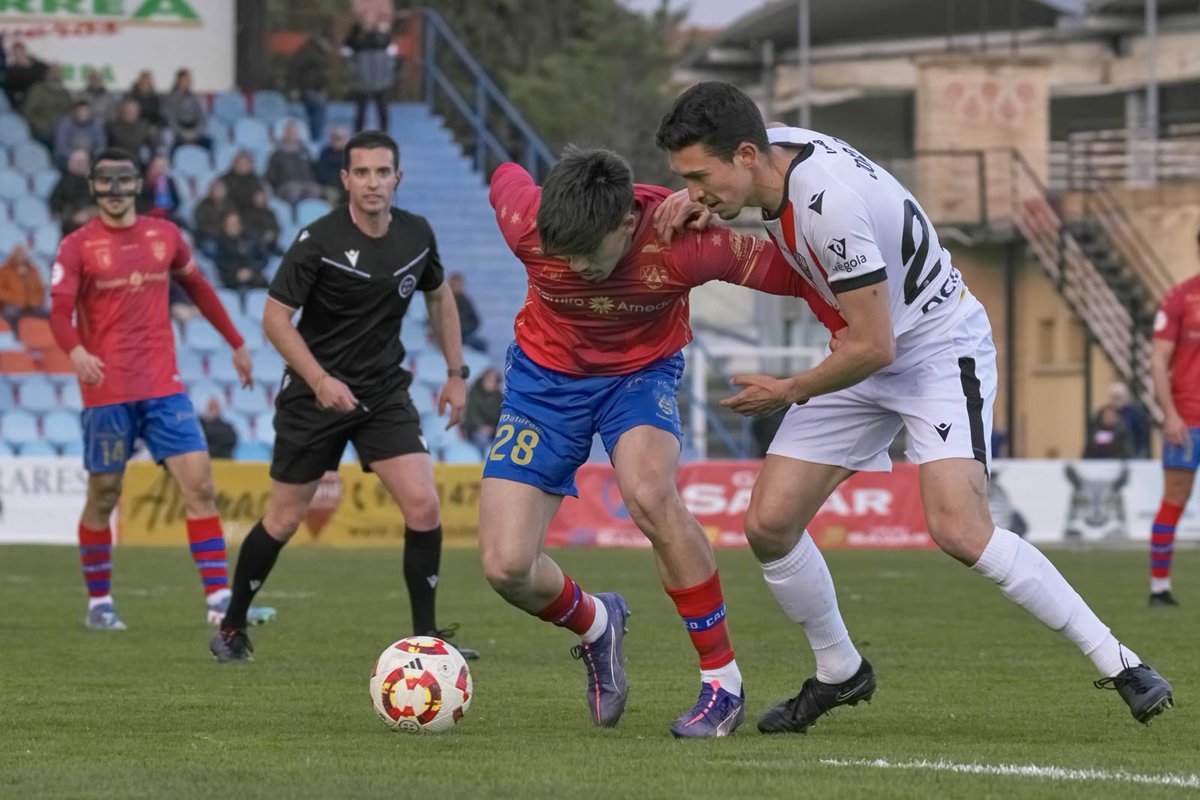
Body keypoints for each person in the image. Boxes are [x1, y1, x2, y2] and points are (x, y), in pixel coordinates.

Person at [653, 80, 1172, 730]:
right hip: (864, 343)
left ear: (749, 154)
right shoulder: (774, 151)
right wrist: (692, 195)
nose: (696, 192)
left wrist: (787, 391)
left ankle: (1121, 661)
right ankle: (841, 671)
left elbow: (877, 346)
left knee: (960, 530)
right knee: (769, 524)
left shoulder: (826, 206)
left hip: (932, 348)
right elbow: (864, 339)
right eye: (686, 178)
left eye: (701, 176)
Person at [479, 147, 843, 738]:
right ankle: (598, 624)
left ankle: (722, 685)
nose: (571, 269)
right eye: (560, 256)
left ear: (627, 225)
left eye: (586, 258)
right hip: (543, 385)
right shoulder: (528, 224)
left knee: (650, 495)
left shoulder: (686, 244)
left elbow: (802, 276)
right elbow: (504, 174)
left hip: (639, 377)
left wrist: (851, 334)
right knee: (506, 567)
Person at [209, 131, 478, 664]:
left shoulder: (417, 235)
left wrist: (455, 372)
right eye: (362, 173)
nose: (373, 182)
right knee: (284, 520)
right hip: (314, 395)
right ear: (345, 180)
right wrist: (319, 380)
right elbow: (274, 319)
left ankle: (426, 640)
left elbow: (439, 295)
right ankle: (234, 625)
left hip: (381, 391)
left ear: (397, 178)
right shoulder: (318, 240)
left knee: (423, 504)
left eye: (383, 172)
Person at [48, 147, 273, 632]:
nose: (114, 189)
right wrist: (76, 352)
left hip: (163, 387)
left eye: (123, 180)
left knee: (201, 487)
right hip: (106, 390)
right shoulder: (77, 246)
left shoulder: (165, 235)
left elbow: (199, 288)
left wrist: (235, 341)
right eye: (104, 181)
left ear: (136, 185)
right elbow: (58, 311)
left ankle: (219, 600)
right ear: (93, 187)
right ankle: (99, 602)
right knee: (104, 494)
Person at [1147, 231, 1200, 607]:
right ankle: (1159, 589)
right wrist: (1170, 415)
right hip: (1188, 420)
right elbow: (1157, 360)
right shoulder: (1181, 298)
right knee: (1174, 500)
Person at [341, 16, 397, 132]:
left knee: (382, 111)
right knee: (361, 112)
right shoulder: (355, 40)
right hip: (363, 81)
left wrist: (387, 74)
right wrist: (356, 71)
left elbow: (392, 57)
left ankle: (384, 135)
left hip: (380, 81)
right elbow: (346, 56)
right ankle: (358, 135)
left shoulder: (384, 39)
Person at [265, 120, 323, 204]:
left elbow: (314, 171)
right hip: (285, 186)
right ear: (284, 133)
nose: (291, 134)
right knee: (294, 191)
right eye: (289, 132)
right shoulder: (277, 154)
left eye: (294, 132)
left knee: (316, 190)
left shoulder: (305, 152)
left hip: (307, 184)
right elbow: (270, 176)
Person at [288, 32, 331, 141]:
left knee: (313, 114)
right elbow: (296, 69)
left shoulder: (318, 52)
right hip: (308, 88)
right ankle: (315, 138)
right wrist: (295, 88)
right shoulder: (310, 52)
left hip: (315, 89)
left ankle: (313, 137)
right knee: (318, 110)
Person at [214, 211, 269, 291]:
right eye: (229, 224)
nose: (232, 226)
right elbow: (221, 263)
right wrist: (237, 273)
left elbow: (263, 258)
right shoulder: (220, 242)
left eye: (235, 223)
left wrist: (250, 270)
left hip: (253, 275)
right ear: (224, 225)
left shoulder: (252, 238)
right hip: (230, 278)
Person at [24, 63, 73, 148]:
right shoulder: (37, 90)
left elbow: (69, 114)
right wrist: (38, 124)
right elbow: (27, 111)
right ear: (47, 74)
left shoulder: (65, 93)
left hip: (59, 132)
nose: (56, 75)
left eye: (58, 72)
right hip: (39, 131)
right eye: (53, 72)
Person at [162, 68, 211, 153]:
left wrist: (196, 132)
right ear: (178, 81)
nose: (189, 82)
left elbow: (202, 117)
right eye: (186, 79)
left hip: (194, 130)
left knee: (209, 143)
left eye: (190, 79)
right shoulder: (170, 98)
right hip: (178, 131)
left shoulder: (196, 98)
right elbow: (170, 119)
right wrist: (182, 133)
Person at [49, 149, 96, 236]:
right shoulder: (62, 183)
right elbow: (54, 206)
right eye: (74, 161)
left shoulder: (96, 184)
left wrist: (89, 213)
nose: (78, 164)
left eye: (81, 161)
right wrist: (72, 216)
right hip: (70, 230)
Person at [53, 98, 107, 170]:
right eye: (80, 111)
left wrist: (88, 155)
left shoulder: (97, 124)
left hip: (90, 156)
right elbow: (61, 147)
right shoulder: (64, 124)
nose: (83, 114)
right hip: (68, 157)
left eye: (85, 111)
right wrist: (74, 156)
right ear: (74, 112)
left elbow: (101, 146)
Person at [0, 244, 46, 327]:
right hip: (13, 304)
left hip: (31, 305)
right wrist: (14, 299)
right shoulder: (4, 270)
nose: (20, 256)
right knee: (10, 314)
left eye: (22, 253)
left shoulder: (33, 270)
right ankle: (15, 337)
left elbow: (40, 290)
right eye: (18, 253)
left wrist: (35, 301)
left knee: (48, 314)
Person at [106, 97, 156, 165]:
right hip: (118, 161)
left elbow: (152, 146)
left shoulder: (145, 126)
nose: (130, 112)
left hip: (139, 161)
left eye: (133, 110)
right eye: (128, 110)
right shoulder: (112, 127)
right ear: (122, 111)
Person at [463, 366, 502, 454]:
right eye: (488, 380)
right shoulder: (473, 393)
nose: (489, 383)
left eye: (493, 381)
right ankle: (481, 463)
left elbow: (501, 416)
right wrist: (481, 426)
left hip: (493, 429)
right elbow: (470, 415)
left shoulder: (499, 397)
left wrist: (493, 428)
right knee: (482, 438)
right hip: (474, 429)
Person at [1108, 382, 1150, 458]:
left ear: (1125, 397)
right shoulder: (1106, 412)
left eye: (1118, 397)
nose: (1115, 400)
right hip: (1110, 456)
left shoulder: (1135, 414)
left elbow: (1142, 435)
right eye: (1114, 397)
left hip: (1132, 455)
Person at [137, 154, 183, 223]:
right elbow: (141, 204)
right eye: (157, 166)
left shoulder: (169, 181)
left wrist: (168, 211)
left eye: (163, 167)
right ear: (150, 167)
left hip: (167, 216)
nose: (160, 170)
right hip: (147, 217)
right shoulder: (142, 183)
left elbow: (177, 201)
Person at [447, 272, 485, 352]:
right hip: (449, 336)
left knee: (481, 344)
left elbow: (476, 322)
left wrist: (464, 330)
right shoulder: (445, 302)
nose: (458, 288)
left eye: (459, 285)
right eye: (455, 285)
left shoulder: (465, 301)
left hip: (465, 335)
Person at [315, 125, 349, 204]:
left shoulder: (350, 155)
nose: (338, 140)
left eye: (340, 138)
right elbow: (322, 174)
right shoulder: (325, 154)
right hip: (331, 186)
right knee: (331, 194)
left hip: (348, 187)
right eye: (335, 137)